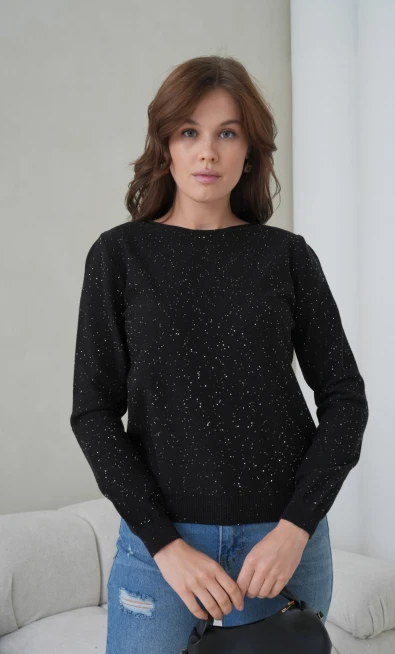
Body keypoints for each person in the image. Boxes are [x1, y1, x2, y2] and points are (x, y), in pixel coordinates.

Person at [70, 55, 369, 654]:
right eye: (190, 132)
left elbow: (345, 399)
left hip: (281, 551)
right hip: (165, 553)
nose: (208, 152)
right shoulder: (119, 256)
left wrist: (296, 527)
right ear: (166, 146)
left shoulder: (287, 256)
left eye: (227, 133)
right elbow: (93, 413)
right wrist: (164, 544)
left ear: (249, 151)